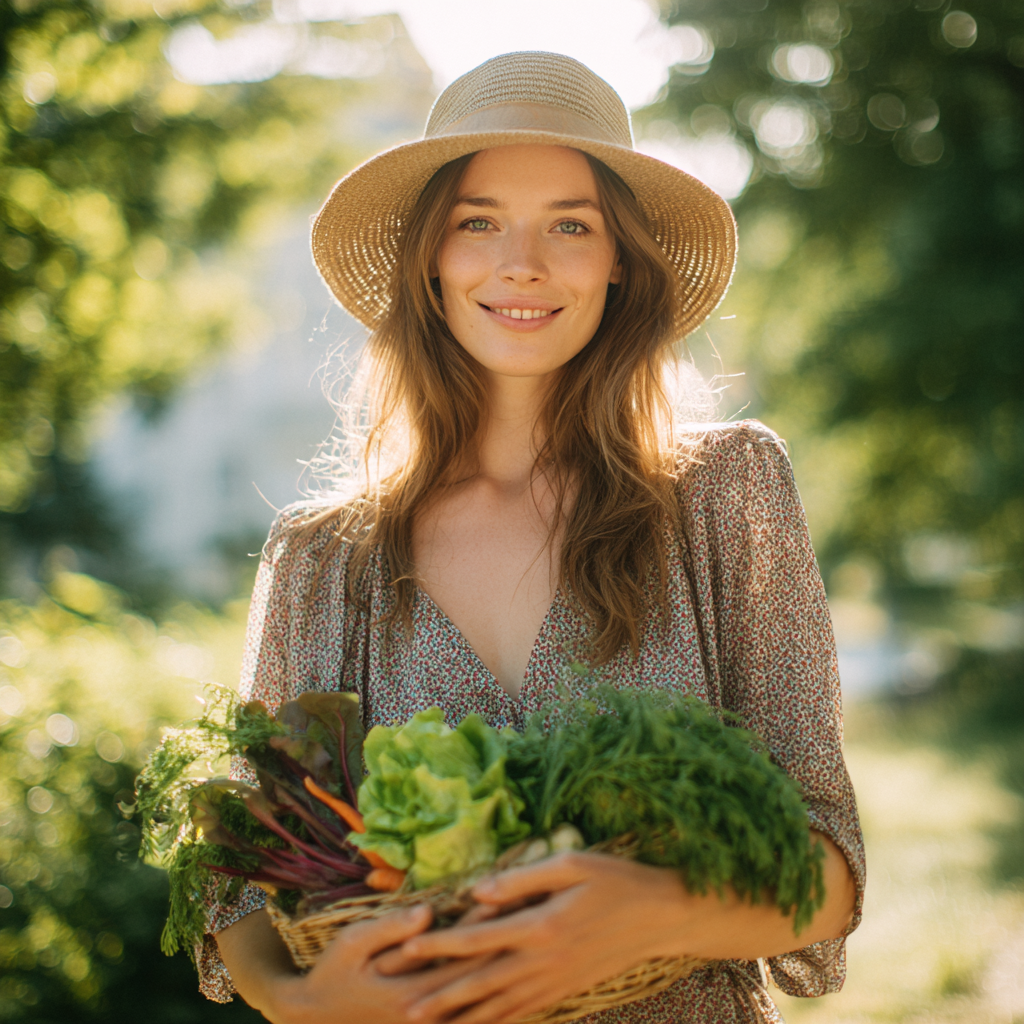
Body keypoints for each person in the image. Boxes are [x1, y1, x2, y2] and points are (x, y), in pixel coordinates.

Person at [199, 51, 864, 1024]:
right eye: (479, 222)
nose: (522, 263)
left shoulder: (725, 495)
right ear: (432, 257)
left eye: (570, 224)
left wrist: (650, 912)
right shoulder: (324, 559)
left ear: (618, 261)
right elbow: (249, 879)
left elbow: (827, 863)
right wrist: (302, 1001)